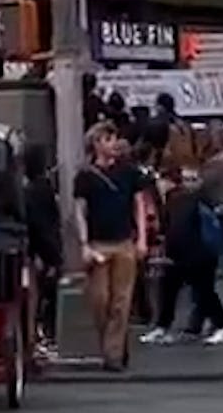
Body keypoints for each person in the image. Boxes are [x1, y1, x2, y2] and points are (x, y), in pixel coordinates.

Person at [71, 127, 148, 373]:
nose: (113, 143)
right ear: (95, 144)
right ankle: (114, 341)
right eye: (107, 139)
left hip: (124, 241)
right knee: (100, 299)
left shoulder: (128, 172)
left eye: (114, 138)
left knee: (121, 301)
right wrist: (83, 243)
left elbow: (139, 205)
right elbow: (79, 211)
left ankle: (112, 354)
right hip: (98, 243)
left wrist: (142, 239)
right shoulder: (85, 177)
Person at [143, 165, 223, 346]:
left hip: (198, 253)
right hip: (185, 252)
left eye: (193, 179)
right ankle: (164, 326)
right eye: (186, 179)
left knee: (201, 291)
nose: (189, 183)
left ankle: (221, 325)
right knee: (175, 290)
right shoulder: (185, 199)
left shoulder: (196, 199)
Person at [21, 145, 64, 353]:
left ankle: (34, 340)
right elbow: (47, 225)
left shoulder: (28, 191)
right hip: (44, 251)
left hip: (34, 251)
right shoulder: (43, 190)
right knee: (44, 298)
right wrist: (54, 256)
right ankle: (42, 338)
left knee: (34, 300)